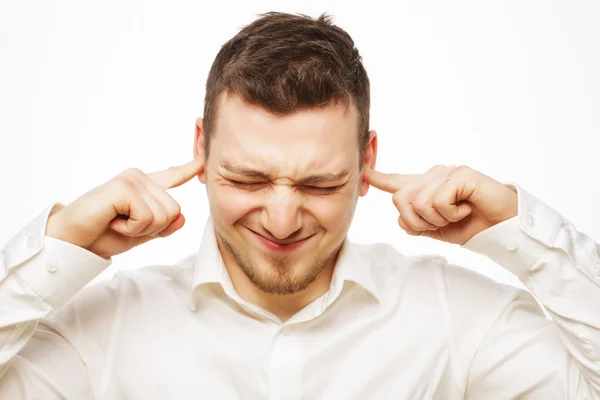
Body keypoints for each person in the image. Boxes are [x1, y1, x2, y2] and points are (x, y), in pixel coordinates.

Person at [0, 11, 598, 399]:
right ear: (201, 150)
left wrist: (519, 234)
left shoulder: (453, 316)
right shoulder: (101, 330)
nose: (282, 220)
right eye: (247, 179)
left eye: (319, 186)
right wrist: (58, 247)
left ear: (366, 164)